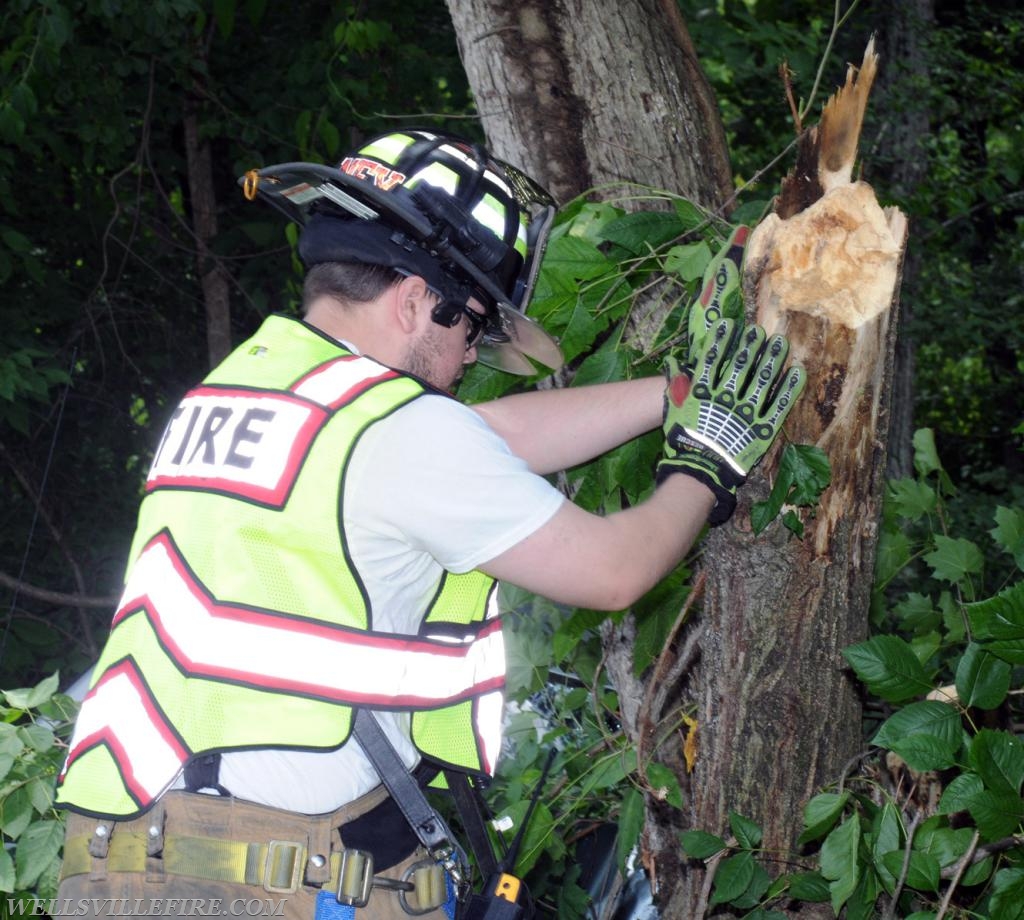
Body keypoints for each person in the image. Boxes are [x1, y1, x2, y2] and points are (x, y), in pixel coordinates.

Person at [54, 130, 804, 920]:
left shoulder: (246, 391)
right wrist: (707, 463)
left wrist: (673, 392)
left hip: (128, 865)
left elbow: (485, 440)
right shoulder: (400, 434)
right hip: (254, 886)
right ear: (414, 300)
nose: (467, 356)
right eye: (472, 328)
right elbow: (612, 569)